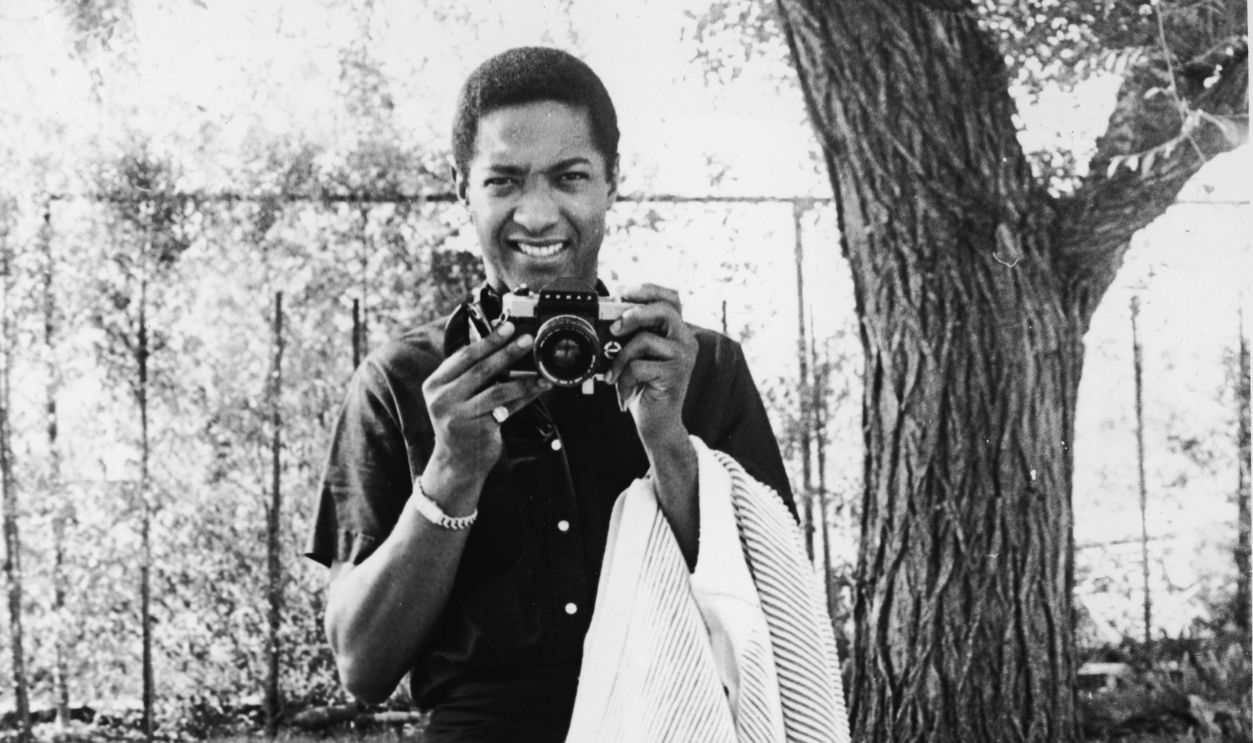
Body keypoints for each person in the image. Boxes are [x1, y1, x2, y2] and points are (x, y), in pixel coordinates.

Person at [306, 46, 794, 742]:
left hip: (675, 721)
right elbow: (361, 664)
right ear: (462, 190)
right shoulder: (405, 380)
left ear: (609, 184)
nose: (535, 215)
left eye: (568, 177)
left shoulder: (697, 365)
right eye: (503, 180)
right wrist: (450, 475)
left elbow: (771, 619)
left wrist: (667, 442)